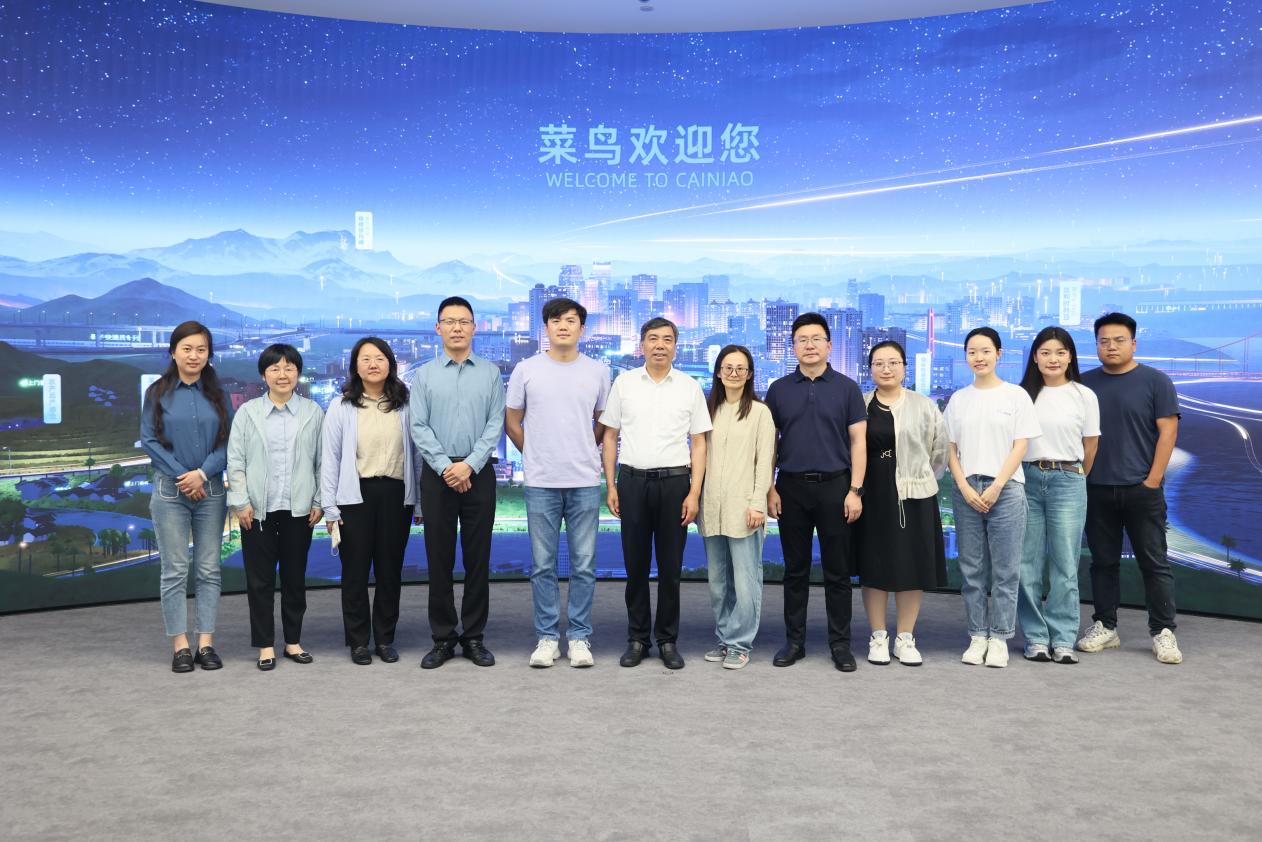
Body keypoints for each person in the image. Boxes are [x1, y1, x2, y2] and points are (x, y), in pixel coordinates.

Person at [600, 317, 711, 670]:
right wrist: (611, 484)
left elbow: (699, 442)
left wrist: (694, 492)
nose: (660, 345)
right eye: (653, 339)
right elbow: (610, 436)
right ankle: (637, 639)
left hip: (676, 484)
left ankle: (667, 640)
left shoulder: (690, 387)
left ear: (676, 346)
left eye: (667, 339)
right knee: (635, 566)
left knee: (670, 568)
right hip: (632, 482)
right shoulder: (624, 383)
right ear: (642, 345)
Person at [505, 298, 610, 669]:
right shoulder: (526, 369)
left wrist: (585, 447)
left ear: (582, 328)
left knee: (584, 565)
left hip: (584, 480)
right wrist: (534, 453)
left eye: (570, 320)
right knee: (542, 565)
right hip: (541, 481)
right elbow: (512, 421)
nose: (563, 326)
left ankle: (579, 637)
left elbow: (603, 421)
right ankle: (547, 638)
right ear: (545, 327)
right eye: (555, 320)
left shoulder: (598, 371)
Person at [765, 312, 868, 673]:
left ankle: (840, 644)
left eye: (816, 339)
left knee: (837, 572)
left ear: (829, 345)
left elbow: (858, 442)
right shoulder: (778, 389)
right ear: (792, 347)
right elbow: (770, 443)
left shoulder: (847, 388)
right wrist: (770, 487)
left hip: (836, 487)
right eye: (802, 340)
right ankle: (794, 642)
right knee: (795, 571)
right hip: (790, 487)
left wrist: (855, 490)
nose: (809, 346)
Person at [1078, 312, 1183, 664]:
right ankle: (1106, 626)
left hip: (1142, 489)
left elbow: (1168, 432)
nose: (1111, 346)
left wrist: (1152, 481)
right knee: (1103, 563)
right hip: (1096, 488)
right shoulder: (1083, 384)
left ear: (1133, 344)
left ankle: (1163, 631)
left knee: (1154, 563)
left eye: (1119, 340)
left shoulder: (1156, 381)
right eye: (1104, 341)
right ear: (1096, 345)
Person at [410, 296, 505, 669]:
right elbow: (418, 426)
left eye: (464, 321)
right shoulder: (425, 375)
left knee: (478, 559)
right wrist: (446, 467)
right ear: (438, 328)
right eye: (449, 321)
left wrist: (469, 465)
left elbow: (495, 424)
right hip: (438, 476)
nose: (457, 328)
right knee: (439, 559)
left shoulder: (491, 373)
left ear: (474, 328)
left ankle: (474, 637)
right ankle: (443, 638)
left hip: (478, 473)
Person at [944, 326, 1041, 668]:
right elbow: (950, 449)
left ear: (999, 354)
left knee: (1006, 569)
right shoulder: (959, 399)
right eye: (972, 351)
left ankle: (999, 637)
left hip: (1007, 489)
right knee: (971, 569)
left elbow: (1021, 445)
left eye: (985, 350)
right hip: (967, 488)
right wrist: (964, 487)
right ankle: (977, 635)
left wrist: (998, 485)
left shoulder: (1016, 396)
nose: (979, 357)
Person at [322, 337, 422, 666]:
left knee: (390, 571)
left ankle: (385, 638)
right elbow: (330, 459)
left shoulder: (406, 404)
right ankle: (358, 641)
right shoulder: (341, 406)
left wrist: (419, 502)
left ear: (390, 364)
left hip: (396, 495)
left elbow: (417, 456)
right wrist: (330, 508)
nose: (373, 364)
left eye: (379, 358)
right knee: (354, 572)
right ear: (355, 366)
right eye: (365, 359)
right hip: (354, 497)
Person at [140, 320, 232, 673]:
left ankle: (205, 643)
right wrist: (184, 475)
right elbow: (149, 439)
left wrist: (202, 473)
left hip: (211, 489)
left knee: (209, 569)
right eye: (187, 349)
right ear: (173, 352)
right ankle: (180, 646)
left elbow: (229, 440)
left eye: (201, 349)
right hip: (170, 490)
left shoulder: (218, 394)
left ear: (209, 354)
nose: (194, 355)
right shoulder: (157, 392)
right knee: (175, 570)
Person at [226, 344, 324, 671]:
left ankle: (293, 642)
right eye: (274, 368)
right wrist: (241, 501)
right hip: (257, 511)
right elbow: (235, 461)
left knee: (295, 579)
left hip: (299, 510)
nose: (282, 375)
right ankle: (265, 645)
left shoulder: (313, 412)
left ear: (298, 373)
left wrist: (318, 500)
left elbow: (322, 462)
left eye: (289, 368)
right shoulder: (248, 413)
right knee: (260, 581)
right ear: (263, 374)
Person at [856, 340, 949, 667]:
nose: (886, 369)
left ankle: (905, 637)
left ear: (905, 368)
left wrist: (918, 477)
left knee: (912, 565)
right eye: (879, 363)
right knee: (874, 564)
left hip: (914, 494)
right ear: (870, 369)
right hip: (872, 493)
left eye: (893, 362)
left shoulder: (924, 405)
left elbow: (939, 452)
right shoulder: (861, 404)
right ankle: (878, 635)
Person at [1017, 327, 1099, 665]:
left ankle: (1063, 639)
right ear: (1035, 357)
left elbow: (1091, 445)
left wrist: (1076, 475)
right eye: (1046, 352)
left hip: (1068, 479)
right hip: (1026, 479)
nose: (1053, 359)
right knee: (1027, 563)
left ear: (1070, 357)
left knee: (1065, 563)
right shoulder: (1021, 395)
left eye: (1061, 352)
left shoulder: (1084, 395)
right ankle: (1036, 637)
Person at [699, 345, 775, 670]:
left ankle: (740, 644)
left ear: (749, 374)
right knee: (718, 583)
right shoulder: (707, 411)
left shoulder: (760, 413)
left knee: (746, 583)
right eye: (727, 367)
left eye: (740, 368)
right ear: (718, 372)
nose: (733, 373)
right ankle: (724, 637)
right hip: (711, 508)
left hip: (745, 509)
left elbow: (765, 462)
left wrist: (758, 503)